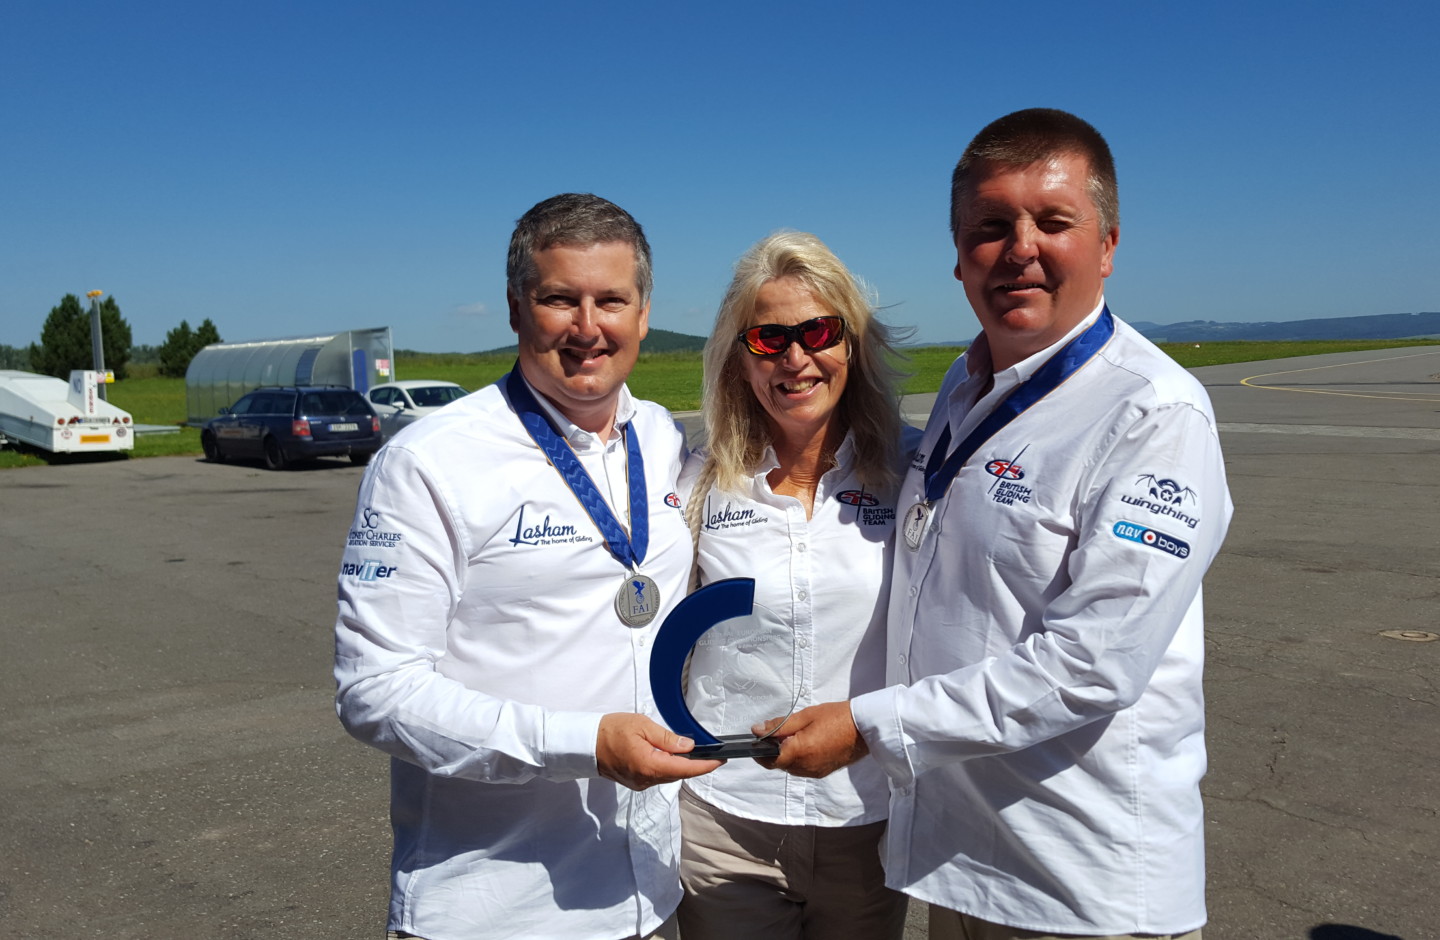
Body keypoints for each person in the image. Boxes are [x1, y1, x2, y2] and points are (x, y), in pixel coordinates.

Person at [760, 109, 1234, 939]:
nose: (1020, 248)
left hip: (1079, 882)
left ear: (1108, 244)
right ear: (958, 255)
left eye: (1053, 221)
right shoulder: (964, 382)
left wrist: (871, 725)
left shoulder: (1153, 414)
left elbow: (1094, 664)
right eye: (991, 227)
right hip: (962, 866)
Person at [333, 193, 722, 940]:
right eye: (559, 299)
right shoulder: (428, 463)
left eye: (612, 300)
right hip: (495, 907)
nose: (588, 327)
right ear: (517, 309)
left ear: (644, 314)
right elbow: (374, 691)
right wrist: (583, 743)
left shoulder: (661, 437)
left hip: (648, 894)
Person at [676, 231, 918, 939]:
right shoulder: (696, 480)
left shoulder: (915, 471)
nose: (794, 358)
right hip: (724, 818)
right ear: (738, 357)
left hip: (865, 816)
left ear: (852, 344)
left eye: (817, 332)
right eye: (767, 338)